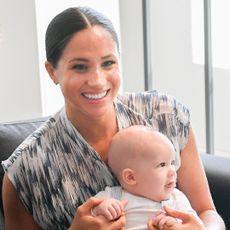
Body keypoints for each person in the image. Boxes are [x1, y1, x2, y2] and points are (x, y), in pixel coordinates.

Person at [1, 6, 225, 230]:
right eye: (80, 67)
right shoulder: (25, 172)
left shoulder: (166, 116)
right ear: (52, 72)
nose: (98, 81)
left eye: (108, 63)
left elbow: (208, 212)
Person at [92, 125, 199, 229]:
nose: (172, 171)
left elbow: (194, 224)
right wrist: (101, 209)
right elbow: (89, 216)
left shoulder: (177, 198)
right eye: (162, 165)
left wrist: (175, 223)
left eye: (172, 163)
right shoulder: (113, 197)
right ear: (130, 177)